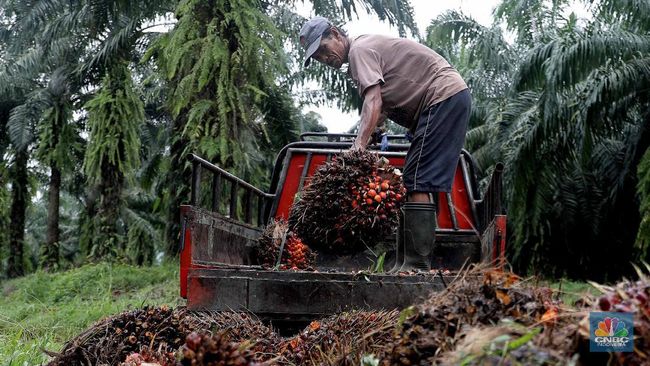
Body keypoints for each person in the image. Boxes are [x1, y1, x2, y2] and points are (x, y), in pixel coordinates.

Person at [299, 16, 471, 272]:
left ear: (335, 34)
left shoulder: (359, 50)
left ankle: (416, 265)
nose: (324, 59)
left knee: (416, 180)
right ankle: (405, 262)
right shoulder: (362, 52)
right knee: (412, 180)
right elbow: (379, 110)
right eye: (318, 58)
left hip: (442, 97)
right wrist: (374, 134)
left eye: (323, 50)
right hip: (445, 99)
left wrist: (358, 147)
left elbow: (373, 101)